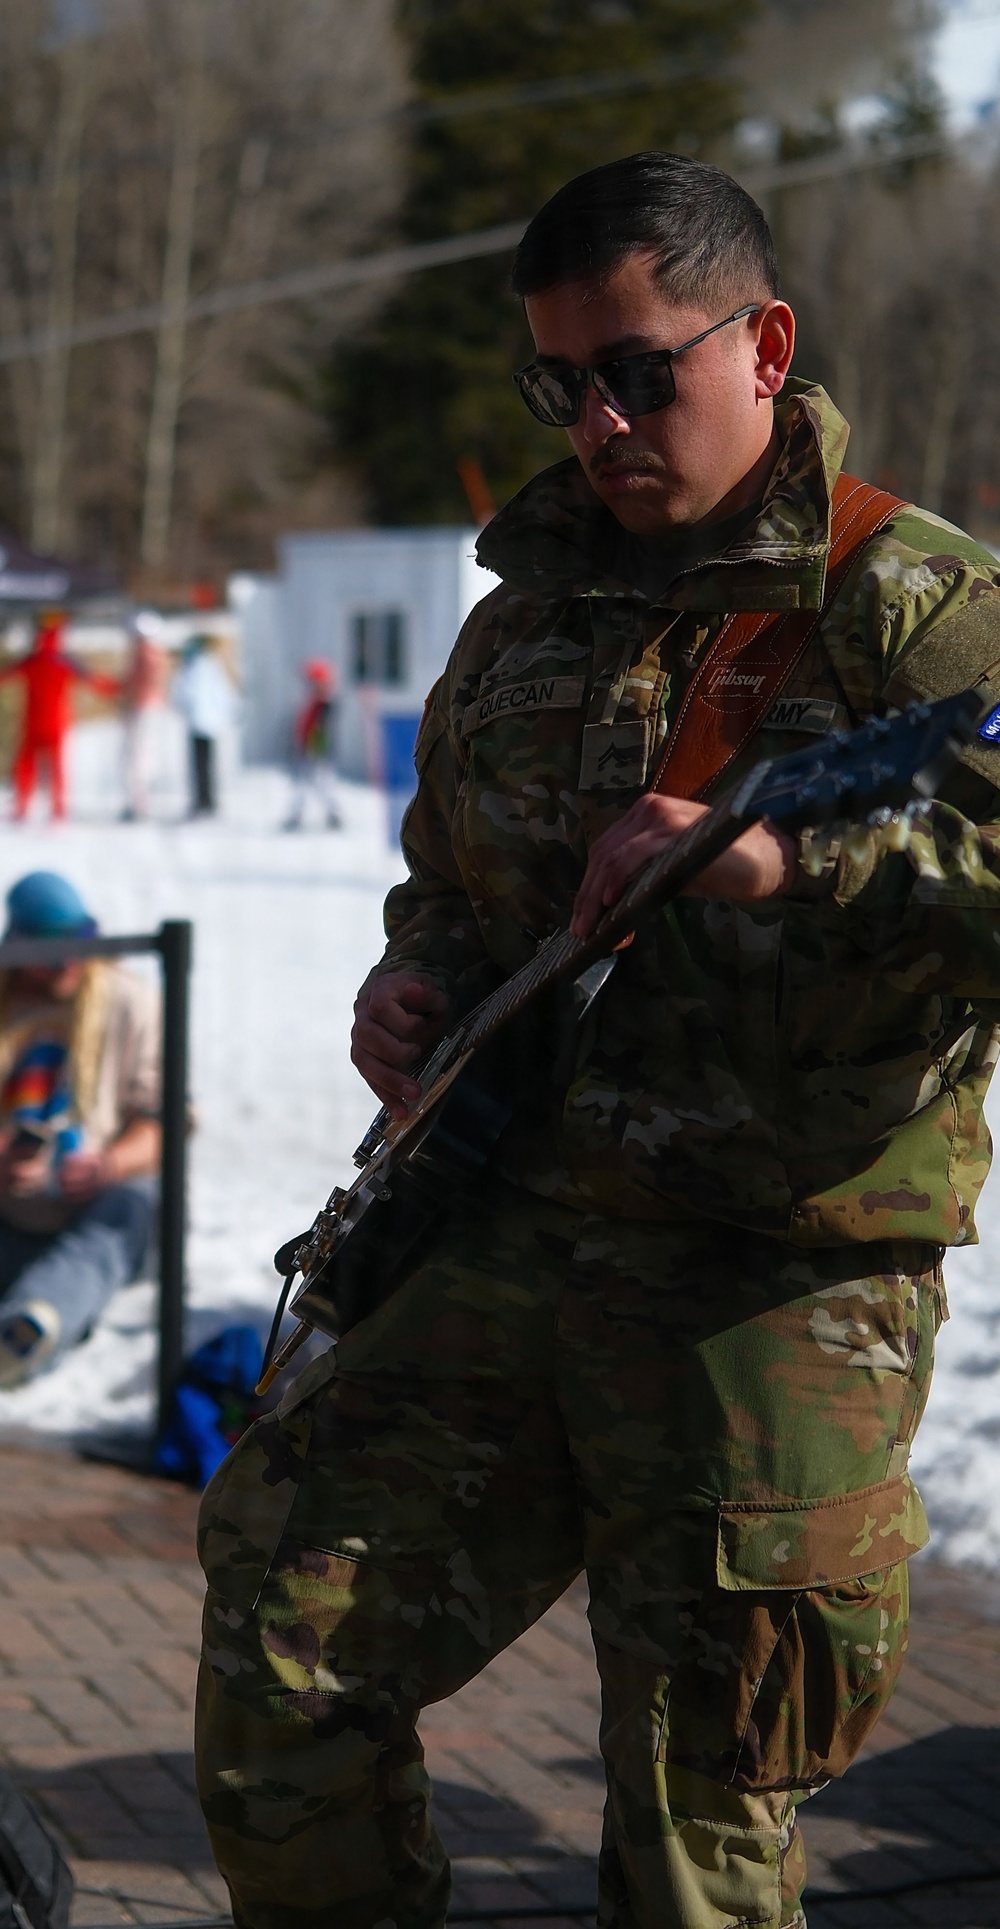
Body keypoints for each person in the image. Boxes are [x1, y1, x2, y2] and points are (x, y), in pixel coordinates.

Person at [194, 152, 1000, 1929]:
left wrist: (797, 858)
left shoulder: (915, 604)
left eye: (641, 369)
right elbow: (454, 878)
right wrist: (415, 981)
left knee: (697, 1826)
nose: (602, 422)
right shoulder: (526, 614)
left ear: (765, 345)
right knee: (282, 1673)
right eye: (560, 383)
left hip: (770, 1280)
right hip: (506, 1231)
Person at [0, 872, 160, 1387]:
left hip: (98, 1213)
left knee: (132, 1203)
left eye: (80, 943)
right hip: (14, 1212)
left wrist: (107, 1165)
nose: (69, 962)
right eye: (52, 953)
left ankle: (28, 1330)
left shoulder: (128, 1000)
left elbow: (162, 1123)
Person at [0, 611, 119, 822]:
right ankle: (58, 809)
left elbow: (5, 675)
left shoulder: (31, 661)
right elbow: (93, 681)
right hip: (57, 722)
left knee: (27, 765)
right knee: (57, 768)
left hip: (32, 721)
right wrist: (116, 688)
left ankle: (23, 806)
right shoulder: (64, 662)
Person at [172, 633, 235, 817]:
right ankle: (204, 800)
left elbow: (186, 695)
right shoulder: (207, 667)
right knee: (204, 765)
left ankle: (205, 801)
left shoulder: (196, 668)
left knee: (202, 765)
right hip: (204, 723)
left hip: (202, 723)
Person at [283, 658, 342, 830]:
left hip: (316, 752)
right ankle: (298, 814)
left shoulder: (324, 705)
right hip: (308, 750)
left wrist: (314, 750)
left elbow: (321, 731)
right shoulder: (313, 702)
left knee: (321, 784)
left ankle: (333, 814)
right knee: (304, 785)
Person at [121, 622, 168, 820]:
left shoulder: (146, 656)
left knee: (138, 757)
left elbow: (141, 683)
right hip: (146, 707)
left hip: (142, 708)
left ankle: (140, 802)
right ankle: (142, 800)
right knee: (143, 755)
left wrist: (128, 692)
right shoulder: (153, 655)